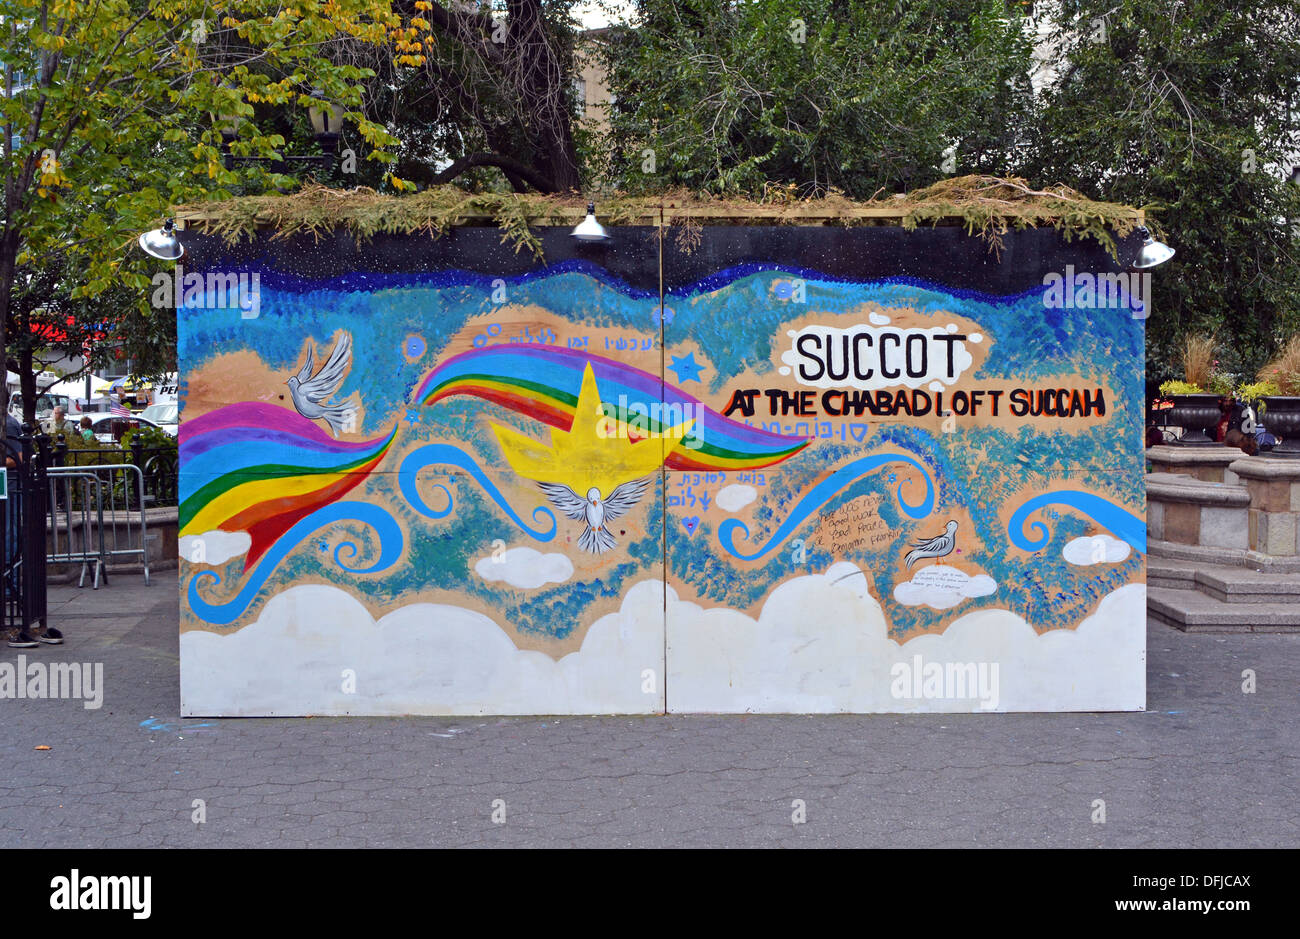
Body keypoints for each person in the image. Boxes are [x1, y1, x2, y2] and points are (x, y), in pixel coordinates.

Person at [1, 390, 62, 648]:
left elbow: (20, 458)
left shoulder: (9, 424)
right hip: (9, 490)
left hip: (11, 490)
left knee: (10, 539)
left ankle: (9, 587)